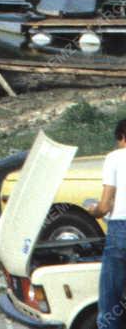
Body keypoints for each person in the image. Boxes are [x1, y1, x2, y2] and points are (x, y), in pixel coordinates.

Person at [88, 118, 126, 329]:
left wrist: (93, 211)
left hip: (121, 228)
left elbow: (104, 206)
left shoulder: (114, 158)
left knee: (110, 298)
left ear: (122, 137)